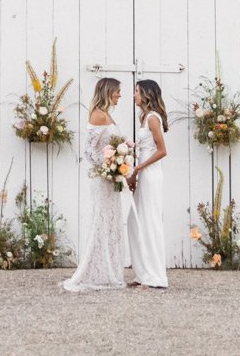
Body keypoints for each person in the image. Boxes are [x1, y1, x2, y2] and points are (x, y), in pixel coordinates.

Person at [60, 77, 130, 293]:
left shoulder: (108, 114)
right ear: (108, 92)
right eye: (117, 91)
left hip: (111, 179)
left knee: (111, 222)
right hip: (102, 179)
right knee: (101, 221)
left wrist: (119, 163)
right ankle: (95, 272)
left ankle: (108, 271)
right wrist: (108, 168)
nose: (120, 95)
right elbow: (89, 151)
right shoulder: (98, 115)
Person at [125, 78, 171, 289]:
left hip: (151, 175)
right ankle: (142, 274)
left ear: (146, 94)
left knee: (150, 222)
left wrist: (138, 168)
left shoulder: (152, 118)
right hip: (143, 174)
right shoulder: (144, 117)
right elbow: (145, 148)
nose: (134, 95)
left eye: (137, 91)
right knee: (136, 222)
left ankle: (156, 277)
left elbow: (162, 151)